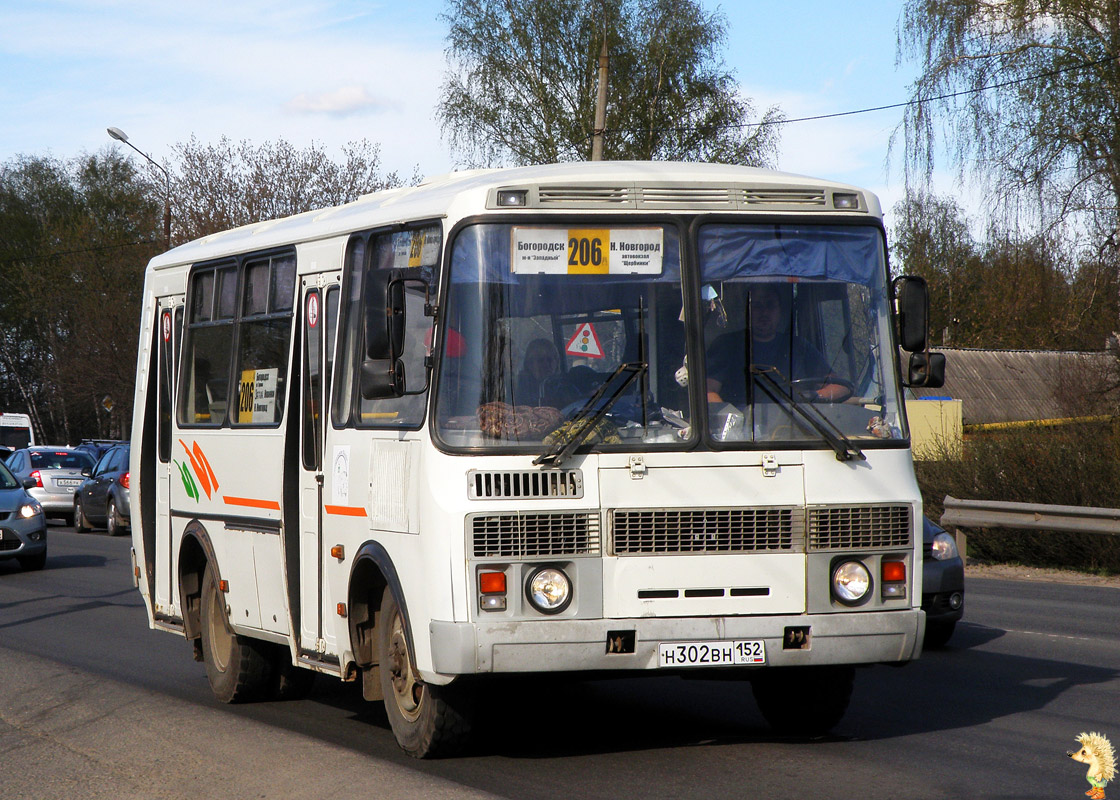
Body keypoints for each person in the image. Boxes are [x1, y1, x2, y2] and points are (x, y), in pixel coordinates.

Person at [706, 283, 850, 405]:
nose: (764, 312)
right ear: (746, 311)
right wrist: (734, 425)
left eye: (770, 305)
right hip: (744, 435)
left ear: (780, 310)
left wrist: (813, 396)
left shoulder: (799, 346)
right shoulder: (726, 346)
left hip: (795, 429)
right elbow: (708, 392)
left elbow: (840, 387)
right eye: (757, 306)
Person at [515, 338, 562, 406]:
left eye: (549, 359)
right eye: (540, 360)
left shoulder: (565, 386)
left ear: (556, 362)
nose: (546, 365)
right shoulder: (517, 387)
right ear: (529, 363)